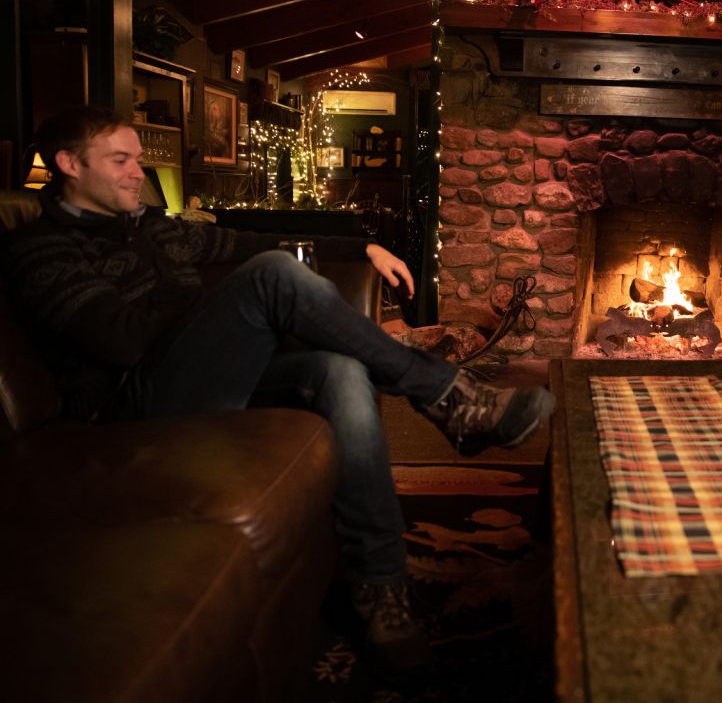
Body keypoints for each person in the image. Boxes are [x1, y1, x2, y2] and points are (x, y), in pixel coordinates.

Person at [1, 106, 555, 678]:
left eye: (138, 158)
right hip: (128, 409)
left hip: (195, 382)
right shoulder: (40, 250)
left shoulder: (151, 226)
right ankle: (449, 395)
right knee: (271, 275)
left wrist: (360, 247)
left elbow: (245, 239)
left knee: (338, 369)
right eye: (120, 160)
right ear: (69, 163)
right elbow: (119, 342)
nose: (137, 172)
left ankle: (379, 584)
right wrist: (219, 307)